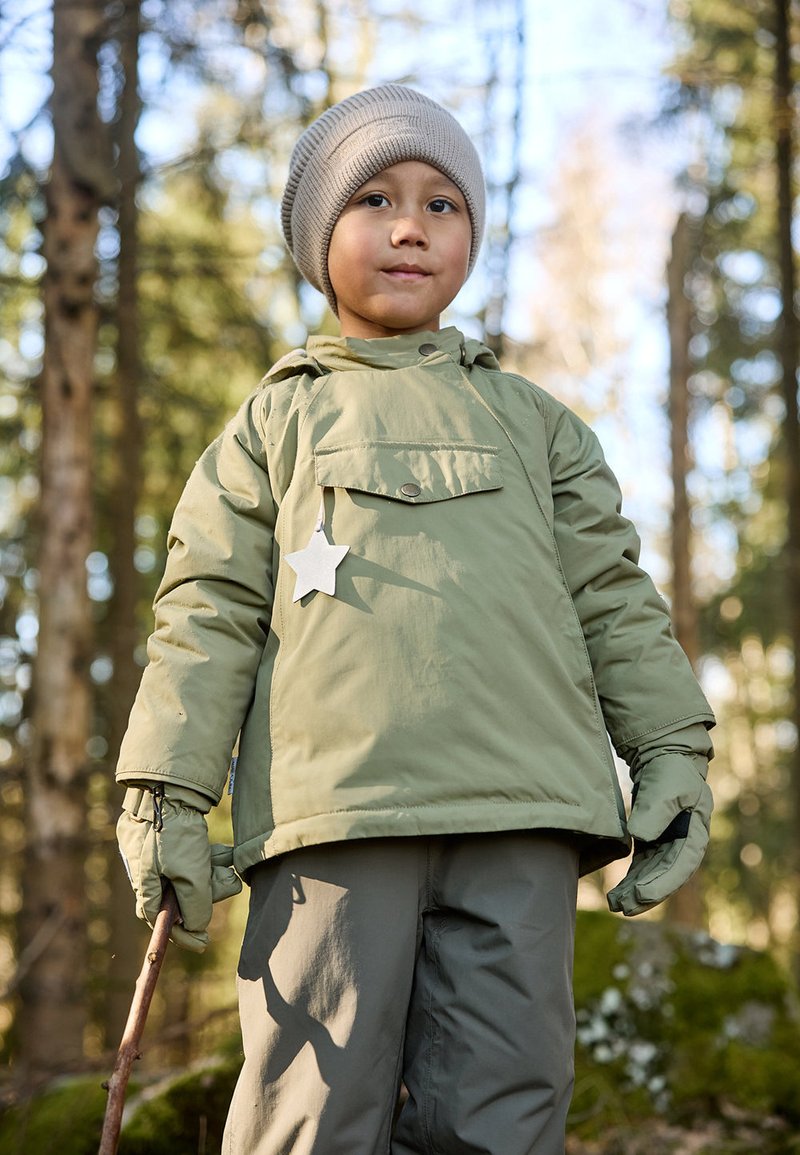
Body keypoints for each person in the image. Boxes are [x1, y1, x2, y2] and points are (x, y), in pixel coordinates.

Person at [115, 84, 715, 1155]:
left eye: (442, 204)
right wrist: (167, 788)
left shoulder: (538, 427)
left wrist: (669, 747)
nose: (409, 227)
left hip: (523, 814)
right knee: (314, 1107)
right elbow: (206, 611)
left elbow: (615, 597)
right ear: (317, 237)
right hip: (335, 821)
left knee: (504, 1105)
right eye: (375, 200)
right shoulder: (271, 426)